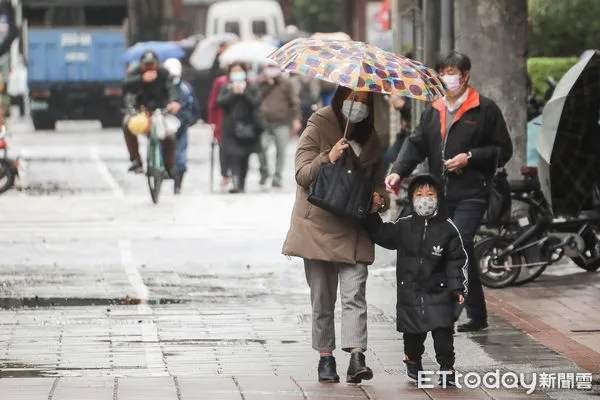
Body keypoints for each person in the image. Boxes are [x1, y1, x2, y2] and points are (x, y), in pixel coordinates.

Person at [385, 51, 513, 332]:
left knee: (462, 242)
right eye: (443, 72)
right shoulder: (435, 109)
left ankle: (461, 311)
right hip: (440, 194)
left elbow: (504, 150)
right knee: (445, 249)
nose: (447, 77)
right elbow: (416, 144)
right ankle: (473, 313)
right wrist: (398, 171)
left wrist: (470, 156)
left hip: (473, 192)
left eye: (452, 72)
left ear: (465, 75)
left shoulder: (485, 109)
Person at [282, 86, 389, 384]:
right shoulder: (318, 124)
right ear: (341, 97)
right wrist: (328, 156)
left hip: (354, 225)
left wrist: (381, 197)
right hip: (317, 226)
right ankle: (325, 357)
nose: (357, 105)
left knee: (355, 293)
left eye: (364, 101)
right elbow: (302, 174)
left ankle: (357, 357)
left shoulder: (371, 135)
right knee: (323, 298)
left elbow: (378, 181)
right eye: (352, 98)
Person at [364, 174, 467, 386]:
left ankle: (447, 367)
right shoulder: (404, 226)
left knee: (443, 335)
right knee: (412, 335)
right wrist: (372, 215)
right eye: (419, 195)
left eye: (430, 194)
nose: (425, 199)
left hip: (439, 292)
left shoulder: (448, 229)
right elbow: (382, 234)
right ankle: (412, 360)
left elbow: (455, 261)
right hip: (409, 292)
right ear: (412, 199)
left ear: (439, 198)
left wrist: (457, 287)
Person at [122, 50, 181, 176]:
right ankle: (136, 160)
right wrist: (141, 79)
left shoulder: (164, 73)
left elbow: (172, 88)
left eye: (152, 65)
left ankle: (169, 166)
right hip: (140, 111)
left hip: (161, 110)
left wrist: (174, 101)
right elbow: (125, 85)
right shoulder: (136, 72)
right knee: (127, 124)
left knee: (170, 137)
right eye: (146, 65)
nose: (149, 68)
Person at [217, 63, 263, 193]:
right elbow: (220, 103)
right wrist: (233, 92)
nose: (237, 73)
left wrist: (244, 93)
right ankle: (236, 184)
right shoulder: (226, 87)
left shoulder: (252, 87)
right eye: (234, 71)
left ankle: (242, 183)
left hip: (248, 127)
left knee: (244, 157)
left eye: (239, 70)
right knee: (234, 156)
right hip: (230, 127)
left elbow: (256, 103)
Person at [257, 62, 302, 188]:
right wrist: (266, 83)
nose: (272, 70)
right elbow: (255, 99)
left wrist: (296, 118)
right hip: (264, 122)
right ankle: (264, 172)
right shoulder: (260, 82)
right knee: (262, 148)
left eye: (274, 67)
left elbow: (294, 101)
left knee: (280, 151)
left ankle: (277, 177)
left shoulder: (286, 83)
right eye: (269, 67)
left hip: (282, 122)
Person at [163, 58, 201, 194]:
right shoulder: (161, 88)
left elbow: (194, 107)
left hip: (181, 127)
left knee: (181, 158)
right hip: (163, 126)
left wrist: (190, 121)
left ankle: (178, 185)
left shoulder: (186, 88)